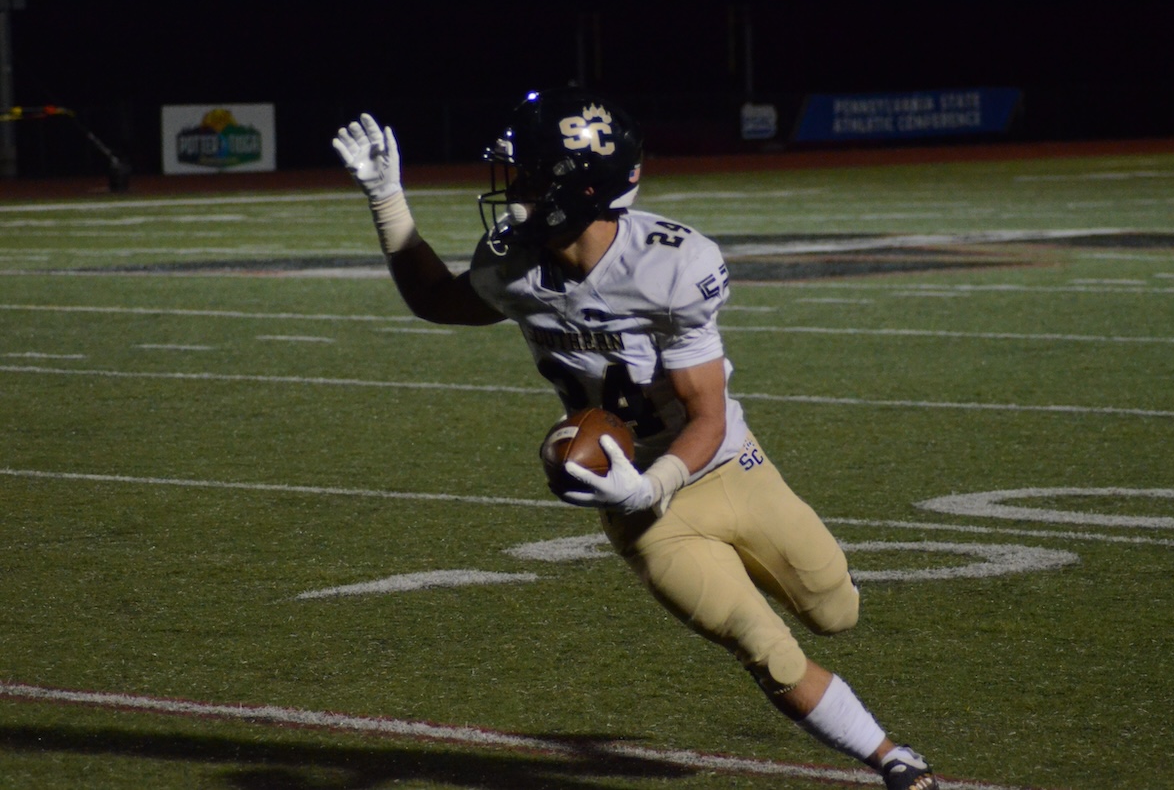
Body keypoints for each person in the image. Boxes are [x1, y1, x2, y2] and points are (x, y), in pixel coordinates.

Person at [333, 87, 939, 790]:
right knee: (766, 650)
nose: (512, 188)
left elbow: (707, 416)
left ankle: (826, 599)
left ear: (579, 189)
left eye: (528, 175)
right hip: (636, 509)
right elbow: (438, 299)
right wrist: (387, 199)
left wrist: (652, 484)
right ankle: (892, 759)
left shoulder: (671, 266)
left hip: (723, 466)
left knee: (836, 611)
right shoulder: (513, 264)